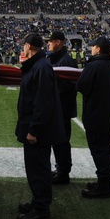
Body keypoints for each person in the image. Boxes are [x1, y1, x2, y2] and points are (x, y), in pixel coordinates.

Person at [15, 33, 64, 219]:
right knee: (35, 167)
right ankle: (38, 201)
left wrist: (34, 129)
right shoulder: (39, 65)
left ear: (28, 46)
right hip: (34, 126)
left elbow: (43, 102)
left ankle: (41, 208)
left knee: (38, 169)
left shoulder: (40, 67)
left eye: (24, 45)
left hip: (38, 130)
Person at [76, 35, 110, 199]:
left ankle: (103, 185)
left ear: (98, 49)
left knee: (99, 149)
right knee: (107, 147)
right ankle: (106, 181)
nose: (91, 48)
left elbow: (82, 86)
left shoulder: (93, 66)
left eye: (93, 46)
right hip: (107, 113)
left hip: (95, 112)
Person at [46, 30, 77, 185]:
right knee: (57, 140)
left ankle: (63, 172)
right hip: (58, 106)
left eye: (50, 41)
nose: (48, 44)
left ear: (58, 42)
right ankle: (60, 168)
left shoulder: (65, 61)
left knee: (61, 141)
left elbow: (66, 85)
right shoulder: (58, 58)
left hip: (62, 108)